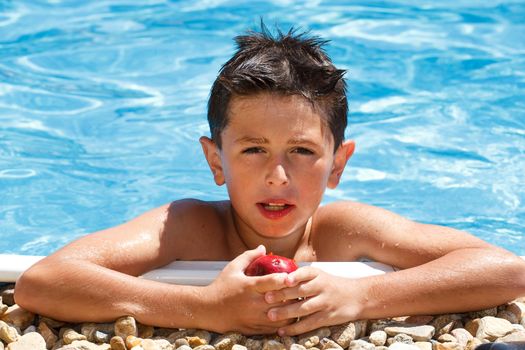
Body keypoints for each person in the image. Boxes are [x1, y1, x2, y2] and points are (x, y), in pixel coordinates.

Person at [14, 26, 525, 336]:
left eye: (302, 151)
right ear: (216, 161)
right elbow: (42, 282)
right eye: (252, 149)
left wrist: (360, 298)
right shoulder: (190, 228)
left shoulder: (343, 231)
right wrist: (203, 308)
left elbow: (505, 270)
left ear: (338, 165)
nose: (277, 176)